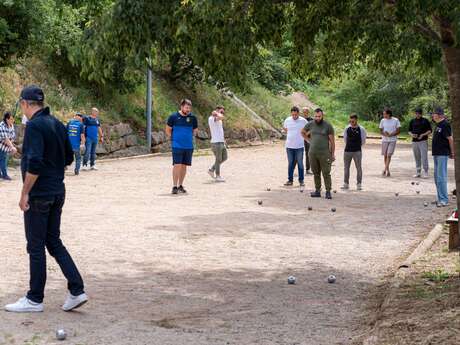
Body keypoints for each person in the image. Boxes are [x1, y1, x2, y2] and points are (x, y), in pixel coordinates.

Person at [5, 85, 87, 313]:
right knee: (53, 241)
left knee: (35, 246)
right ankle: (77, 289)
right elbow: (69, 157)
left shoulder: (34, 126)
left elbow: (35, 164)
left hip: (40, 194)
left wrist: (24, 193)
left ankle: (34, 299)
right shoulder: (57, 124)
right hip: (58, 190)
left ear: (25, 103)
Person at [166, 99, 198, 194]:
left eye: (189, 108)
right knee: (177, 165)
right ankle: (174, 186)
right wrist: (174, 140)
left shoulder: (193, 118)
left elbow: (195, 131)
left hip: (188, 146)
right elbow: (168, 130)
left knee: (184, 166)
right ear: (181, 107)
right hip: (177, 145)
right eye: (186, 107)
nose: (188, 110)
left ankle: (180, 185)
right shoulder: (173, 117)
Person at [301, 108, 335, 199]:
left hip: (325, 153)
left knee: (326, 173)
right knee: (316, 173)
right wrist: (308, 140)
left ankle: (328, 191)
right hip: (312, 153)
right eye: (316, 116)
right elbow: (302, 132)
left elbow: (332, 142)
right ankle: (317, 191)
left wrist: (332, 154)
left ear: (322, 115)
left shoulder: (328, 126)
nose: (317, 118)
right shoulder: (310, 124)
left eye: (319, 116)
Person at [431, 108, 454, 207]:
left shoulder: (445, 124)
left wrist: (452, 152)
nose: (433, 115)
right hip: (436, 153)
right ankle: (440, 198)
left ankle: (444, 200)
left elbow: (450, 139)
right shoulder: (438, 125)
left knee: (441, 177)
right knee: (436, 177)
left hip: (442, 153)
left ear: (440, 115)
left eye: (434, 114)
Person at [283, 106, 308, 186]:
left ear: (298, 113)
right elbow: (286, 129)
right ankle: (290, 180)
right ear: (291, 113)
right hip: (289, 146)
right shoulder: (287, 120)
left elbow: (308, 130)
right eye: (293, 115)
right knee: (290, 163)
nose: (294, 116)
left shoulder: (303, 121)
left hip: (299, 146)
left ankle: (301, 181)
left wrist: (305, 136)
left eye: (296, 115)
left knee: (300, 163)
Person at [342, 114, 367, 191]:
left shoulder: (361, 129)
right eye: (350, 121)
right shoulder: (347, 128)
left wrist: (357, 146)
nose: (352, 122)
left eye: (353, 121)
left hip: (357, 151)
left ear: (356, 120)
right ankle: (346, 184)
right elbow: (345, 139)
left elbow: (363, 140)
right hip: (347, 151)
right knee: (346, 168)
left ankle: (359, 184)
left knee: (358, 168)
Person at [408, 107, 432, 178]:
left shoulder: (425, 121)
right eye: (416, 113)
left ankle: (426, 172)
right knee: (417, 157)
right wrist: (412, 135)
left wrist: (423, 135)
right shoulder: (412, 121)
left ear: (421, 114)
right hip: (414, 141)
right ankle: (418, 172)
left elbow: (430, 130)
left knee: (424, 157)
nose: (417, 115)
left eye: (419, 113)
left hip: (423, 141)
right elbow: (409, 131)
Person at [208, 105, 228, 182]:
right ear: (217, 110)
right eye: (221, 111)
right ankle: (218, 175)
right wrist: (216, 113)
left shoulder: (219, 119)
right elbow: (220, 117)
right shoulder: (211, 118)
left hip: (221, 142)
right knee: (218, 159)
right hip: (216, 142)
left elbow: (220, 130)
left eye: (223, 112)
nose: (222, 113)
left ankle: (211, 169)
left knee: (225, 157)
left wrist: (224, 140)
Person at [379, 108, 401, 177]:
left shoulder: (395, 120)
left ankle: (384, 169)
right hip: (384, 140)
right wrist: (384, 133)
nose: (383, 115)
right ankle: (388, 170)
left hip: (392, 140)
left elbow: (398, 130)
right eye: (383, 114)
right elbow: (380, 130)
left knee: (389, 155)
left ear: (388, 114)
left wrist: (391, 134)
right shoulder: (382, 120)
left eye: (384, 114)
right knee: (385, 155)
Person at [0, 111, 18, 180]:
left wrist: (11, 146)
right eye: (11, 119)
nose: (13, 120)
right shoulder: (2, 126)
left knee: (3, 159)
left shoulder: (11, 125)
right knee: (3, 160)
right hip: (1, 146)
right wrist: (12, 147)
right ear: (7, 119)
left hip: (6, 147)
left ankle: (2, 174)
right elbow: (5, 139)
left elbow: (12, 136)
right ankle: (5, 175)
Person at [302, 107, 313, 175]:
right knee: (298, 154)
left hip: (308, 139)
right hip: (299, 139)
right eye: (304, 112)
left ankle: (308, 169)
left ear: (308, 112)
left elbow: (313, 128)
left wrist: (306, 134)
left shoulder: (311, 120)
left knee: (308, 154)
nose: (305, 113)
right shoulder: (300, 119)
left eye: (306, 112)